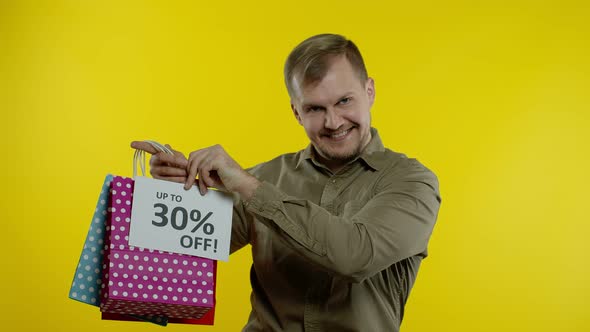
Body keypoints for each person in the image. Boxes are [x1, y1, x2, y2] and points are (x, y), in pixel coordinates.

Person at [132, 33, 441, 332]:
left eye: (344, 101)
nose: (333, 122)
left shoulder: (412, 183)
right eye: (315, 108)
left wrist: (249, 188)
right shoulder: (264, 177)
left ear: (369, 91)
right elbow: (192, 249)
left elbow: (355, 255)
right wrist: (174, 189)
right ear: (296, 112)